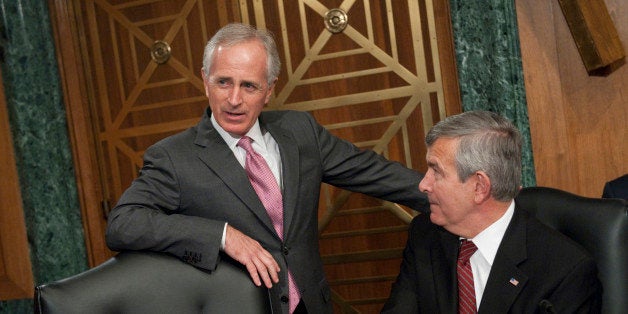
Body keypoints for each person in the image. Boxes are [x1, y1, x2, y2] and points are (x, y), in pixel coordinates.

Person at [105, 23, 428, 314]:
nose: (233, 99)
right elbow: (123, 223)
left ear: (270, 89)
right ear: (205, 81)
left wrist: (449, 197)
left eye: (249, 86)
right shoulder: (174, 157)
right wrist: (222, 235)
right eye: (223, 82)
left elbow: (373, 172)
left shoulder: (300, 131)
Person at [382, 111, 602, 313]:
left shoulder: (565, 272)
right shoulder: (425, 235)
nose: (423, 184)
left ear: (479, 187)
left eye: (436, 171)